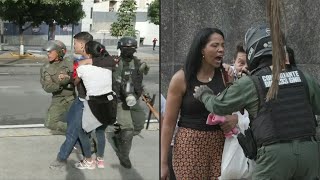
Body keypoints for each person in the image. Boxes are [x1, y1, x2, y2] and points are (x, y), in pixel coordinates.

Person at [193, 23, 320, 179]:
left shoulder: (252, 82)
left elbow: (218, 105)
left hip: (274, 154)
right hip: (310, 153)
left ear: (253, 52)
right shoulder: (303, 77)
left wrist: (204, 94)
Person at [160, 28, 238, 179]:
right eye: (215, 45)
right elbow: (168, 123)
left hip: (222, 145)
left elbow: (237, 109)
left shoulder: (226, 75)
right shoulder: (181, 78)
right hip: (190, 145)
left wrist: (234, 119)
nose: (221, 50)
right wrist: (163, 162)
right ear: (201, 49)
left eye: (222, 45)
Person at [49, 32, 94, 169]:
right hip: (80, 99)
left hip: (88, 101)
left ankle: (62, 159)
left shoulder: (93, 62)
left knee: (73, 131)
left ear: (82, 45)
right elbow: (75, 81)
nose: (74, 46)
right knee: (71, 123)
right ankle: (84, 149)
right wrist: (68, 77)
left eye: (75, 43)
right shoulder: (81, 59)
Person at [106, 36, 150, 169]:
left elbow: (139, 81)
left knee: (139, 123)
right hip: (119, 100)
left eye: (132, 48)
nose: (129, 51)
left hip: (133, 99)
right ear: (120, 48)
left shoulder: (138, 63)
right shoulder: (114, 63)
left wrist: (144, 93)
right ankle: (124, 155)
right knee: (128, 130)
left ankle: (120, 136)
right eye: (126, 48)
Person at [74, 41, 118, 169]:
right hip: (109, 102)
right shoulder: (108, 66)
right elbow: (112, 60)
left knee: (82, 132)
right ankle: (100, 160)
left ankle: (88, 161)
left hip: (94, 103)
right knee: (100, 132)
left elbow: (75, 81)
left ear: (87, 52)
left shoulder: (82, 67)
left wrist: (82, 64)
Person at [40, 40, 75, 134]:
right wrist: (60, 84)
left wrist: (69, 78)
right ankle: (74, 131)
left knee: (81, 121)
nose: (48, 54)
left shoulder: (70, 62)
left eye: (50, 52)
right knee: (49, 123)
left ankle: (87, 142)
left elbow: (81, 75)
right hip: (58, 99)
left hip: (73, 98)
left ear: (59, 52)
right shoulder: (46, 68)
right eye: (47, 52)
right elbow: (47, 87)